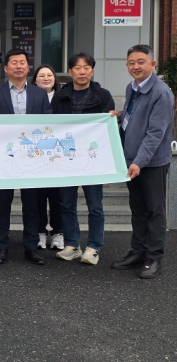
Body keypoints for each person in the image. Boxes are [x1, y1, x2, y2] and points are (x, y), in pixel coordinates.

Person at [0, 48, 52, 265]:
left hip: (32, 158)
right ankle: (1, 247)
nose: (19, 66)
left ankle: (31, 248)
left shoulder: (39, 94)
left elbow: (48, 123)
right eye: (14, 63)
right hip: (5, 158)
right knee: (2, 205)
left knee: (32, 206)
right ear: (6, 68)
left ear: (28, 67)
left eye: (22, 62)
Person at [111, 45, 174, 279]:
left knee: (154, 210)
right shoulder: (132, 88)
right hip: (133, 160)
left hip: (151, 162)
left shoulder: (161, 93)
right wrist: (119, 115)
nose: (135, 66)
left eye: (140, 62)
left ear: (152, 64)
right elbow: (134, 118)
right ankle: (138, 251)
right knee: (137, 208)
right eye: (131, 62)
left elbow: (155, 133)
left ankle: (154, 257)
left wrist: (139, 162)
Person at [51, 53, 114, 265]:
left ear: (92, 71)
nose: (82, 72)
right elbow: (53, 127)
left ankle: (94, 247)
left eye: (87, 67)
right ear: (70, 72)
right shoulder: (60, 96)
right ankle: (72, 245)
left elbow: (107, 128)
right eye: (77, 68)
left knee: (95, 205)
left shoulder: (103, 96)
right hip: (66, 158)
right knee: (67, 204)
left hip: (92, 159)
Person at [31, 64, 64, 251]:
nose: (46, 78)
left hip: (58, 155)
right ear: (34, 80)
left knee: (57, 197)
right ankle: (40, 232)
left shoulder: (62, 97)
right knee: (38, 197)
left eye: (49, 75)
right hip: (36, 155)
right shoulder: (31, 98)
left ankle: (58, 233)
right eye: (41, 75)